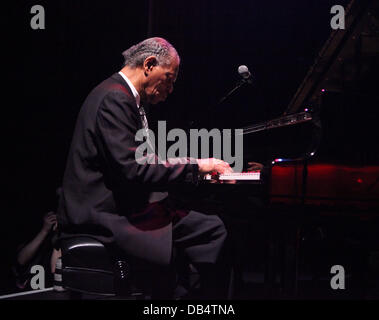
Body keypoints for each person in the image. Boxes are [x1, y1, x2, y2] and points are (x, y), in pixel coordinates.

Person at [56, 37, 234, 299]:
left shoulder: (123, 96)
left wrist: (193, 168)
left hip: (117, 205)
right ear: (149, 65)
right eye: (170, 78)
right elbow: (134, 169)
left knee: (204, 224)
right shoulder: (115, 98)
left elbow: (141, 160)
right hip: (102, 214)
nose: (171, 89)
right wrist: (198, 166)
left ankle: (176, 289)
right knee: (211, 230)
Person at [13, 211, 61, 290]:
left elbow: (54, 269)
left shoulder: (62, 238)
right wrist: (45, 230)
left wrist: (59, 234)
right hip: (29, 291)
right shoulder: (32, 234)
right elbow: (21, 260)